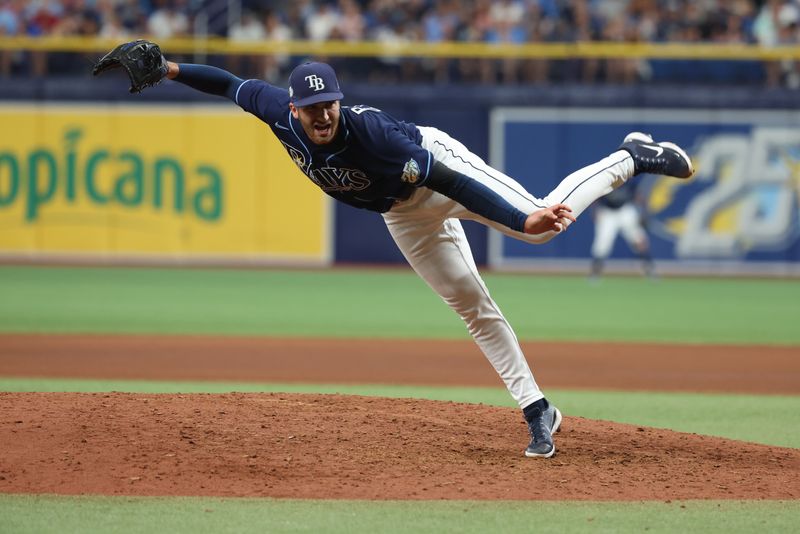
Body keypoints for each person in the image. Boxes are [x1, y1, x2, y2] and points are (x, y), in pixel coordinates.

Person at [93, 42, 694, 458]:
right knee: (469, 303)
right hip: (400, 214)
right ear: (295, 109)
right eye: (311, 107)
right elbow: (227, 84)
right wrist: (169, 68)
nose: (321, 114)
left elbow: (454, 184)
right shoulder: (279, 112)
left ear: (338, 99)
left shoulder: (371, 137)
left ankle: (630, 156)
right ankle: (538, 410)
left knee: (541, 224)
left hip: (439, 172)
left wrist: (519, 217)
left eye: (329, 102)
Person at [590, 178, 655, 279]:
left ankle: (649, 269)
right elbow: (596, 196)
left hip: (625, 210)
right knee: (602, 244)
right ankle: (595, 273)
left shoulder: (628, 178)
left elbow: (638, 196)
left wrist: (644, 214)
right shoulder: (606, 178)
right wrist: (595, 211)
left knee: (639, 239)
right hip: (607, 212)